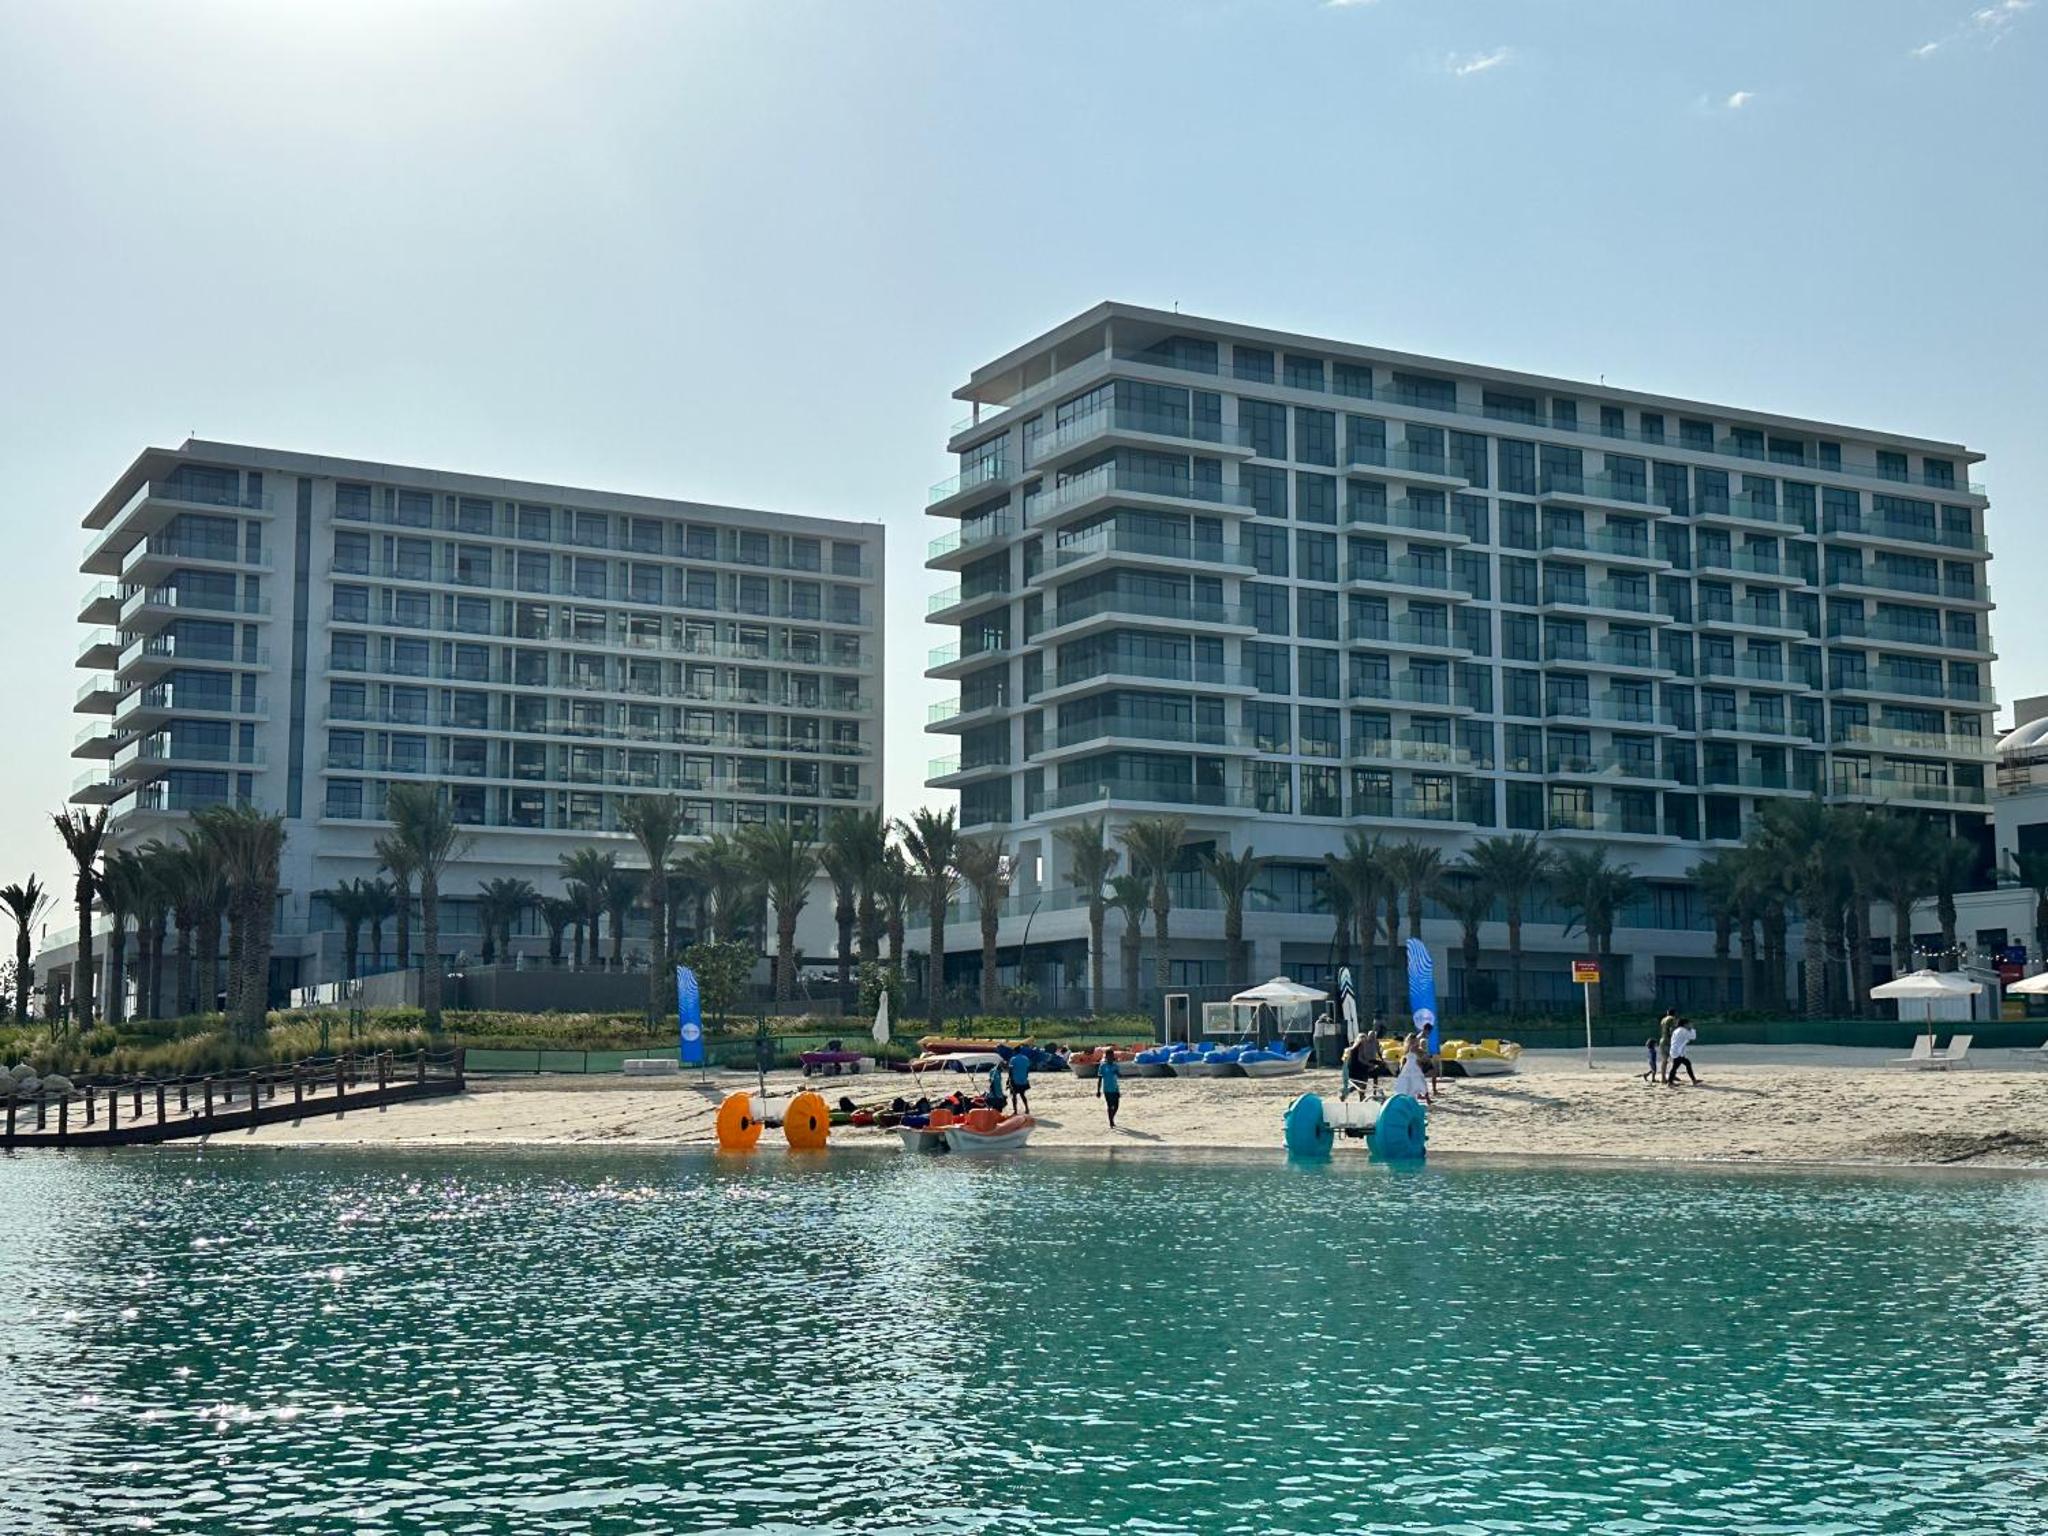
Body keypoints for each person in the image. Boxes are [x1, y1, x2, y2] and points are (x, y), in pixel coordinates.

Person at [1665, 1018, 1699, 1085]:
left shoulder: (1677, 1030)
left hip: (1676, 1051)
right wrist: (1692, 1029)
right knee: (1675, 1067)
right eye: (1689, 1024)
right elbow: (1693, 1037)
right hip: (1677, 1052)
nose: (1690, 1025)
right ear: (1685, 1024)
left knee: (1687, 1063)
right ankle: (1670, 1082)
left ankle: (1694, 1080)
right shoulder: (1682, 1030)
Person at [1097, 1048, 1122, 1129]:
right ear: (1106, 1057)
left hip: (1115, 1088)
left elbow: (1120, 1076)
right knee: (1110, 1106)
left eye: (1112, 1056)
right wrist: (1098, 1091)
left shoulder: (1115, 1065)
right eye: (1109, 1056)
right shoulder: (1103, 1066)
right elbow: (1100, 1079)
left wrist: (1117, 1073)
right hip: (1107, 1089)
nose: (1111, 1058)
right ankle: (1111, 1121)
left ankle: (1112, 1117)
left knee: (1117, 1106)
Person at [1006, 1049, 1032, 1114]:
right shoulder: (1026, 1058)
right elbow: (1027, 1069)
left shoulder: (1013, 1059)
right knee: (1022, 1094)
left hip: (1015, 1080)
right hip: (1023, 1080)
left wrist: (1008, 1080)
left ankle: (1015, 1111)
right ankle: (1027, 1108)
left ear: (1014, 1051)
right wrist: (1025, 1076)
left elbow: (1010, 1070)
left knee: (1014, 1096)